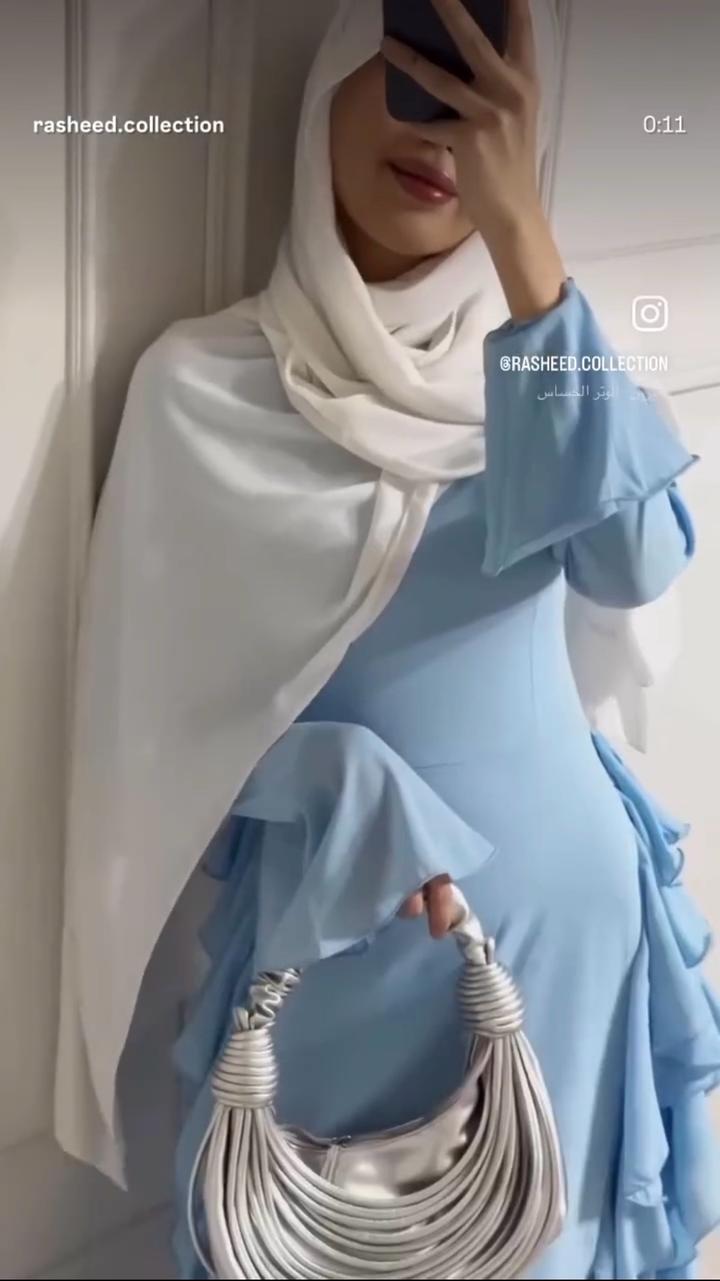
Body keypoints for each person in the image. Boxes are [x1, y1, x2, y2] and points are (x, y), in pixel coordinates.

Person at [52, 1, 720, 1278]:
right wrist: (336, 778)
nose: (445, 135)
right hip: (336, 944)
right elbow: (148, 729)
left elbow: (633, 564)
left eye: (490, 105)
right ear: (329, 87)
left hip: (564, 933)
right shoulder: (200, 385)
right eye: (417, 72)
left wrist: (525, 242)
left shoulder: (544, 365)